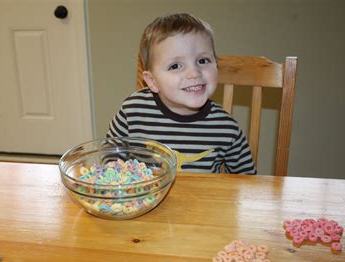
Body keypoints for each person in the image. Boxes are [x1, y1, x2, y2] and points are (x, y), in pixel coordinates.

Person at [106, 13, 256, 174]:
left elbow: (247, 180)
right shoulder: (132, 111)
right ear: (152, 82)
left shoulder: (226, 127)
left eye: (203, 61)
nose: (194, 73)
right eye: (175, 66)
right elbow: (111, 153)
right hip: (146, 198)